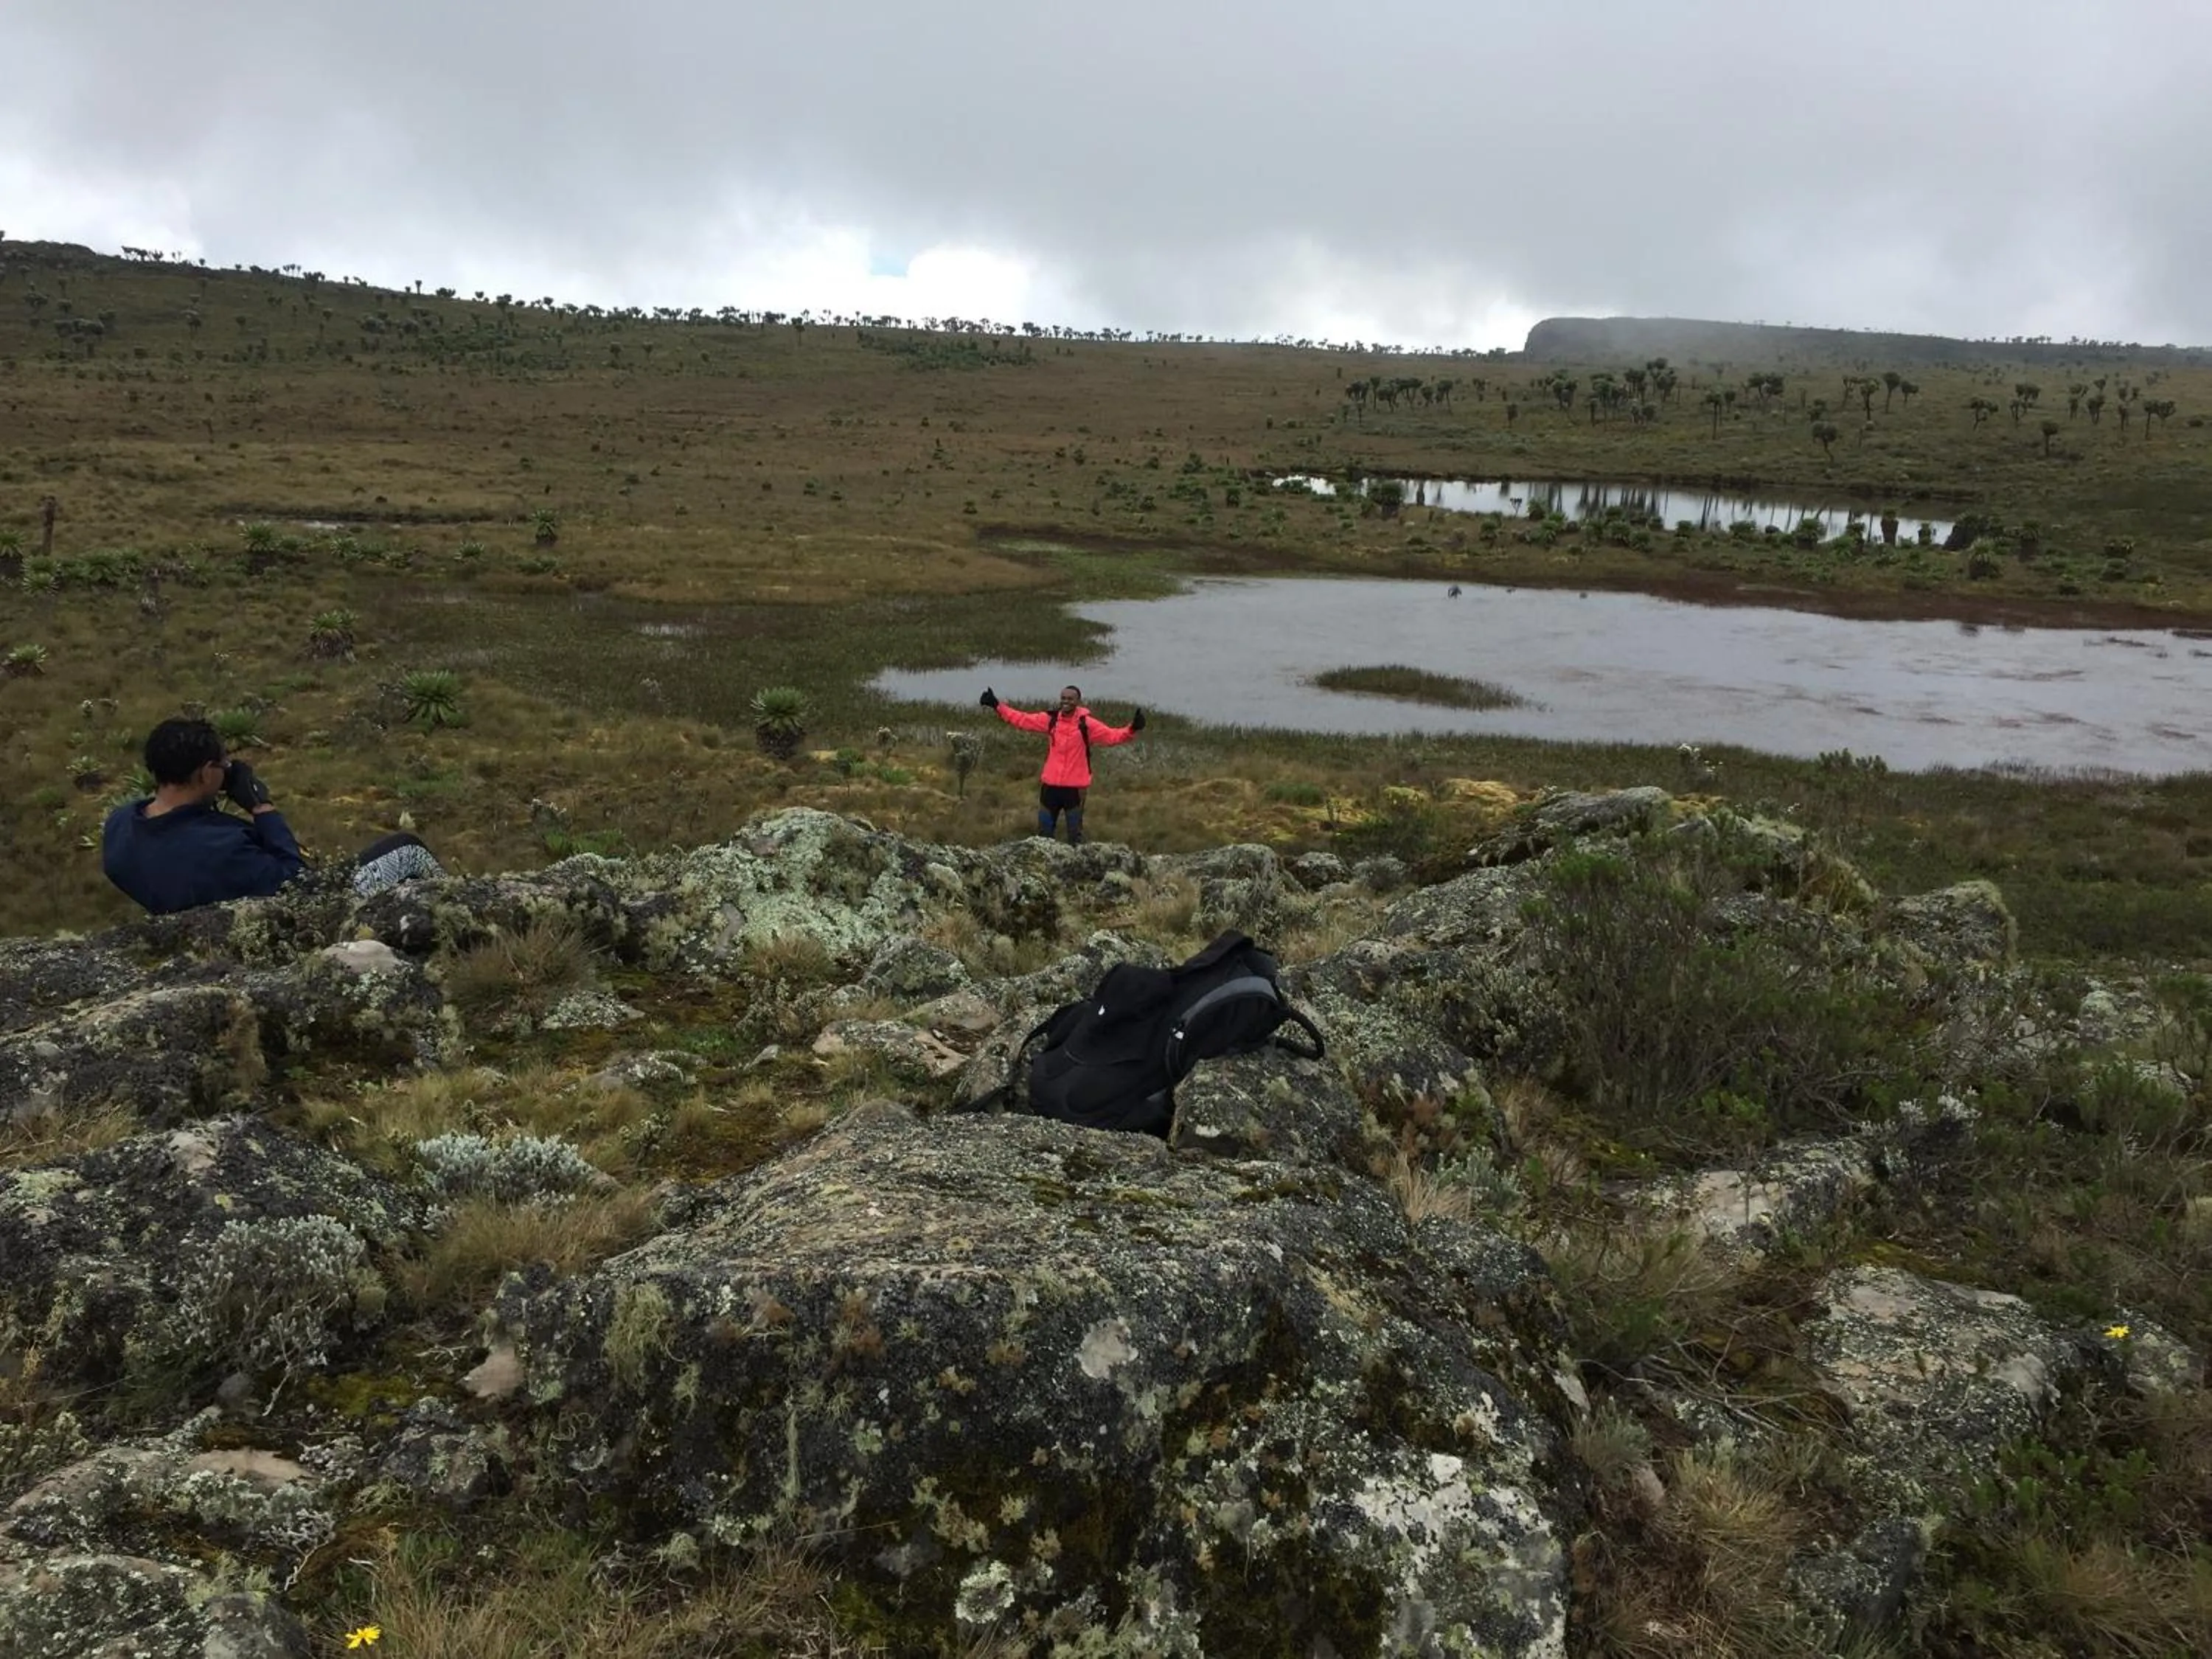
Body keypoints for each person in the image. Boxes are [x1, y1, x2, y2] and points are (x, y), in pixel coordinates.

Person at [102, 717, 445, 915]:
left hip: (196, 914)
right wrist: (261, 809)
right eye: (223, 765)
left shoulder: (120, 825)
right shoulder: (220, 847)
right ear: (206, 773)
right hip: (278, 916)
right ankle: (464, 919)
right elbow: (298, 888)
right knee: (407, 850)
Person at [979, 684, 1144, 845]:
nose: (1066, 701)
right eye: (1063, 698)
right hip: (1050, 787)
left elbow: (1112, 736)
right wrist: (997, 705)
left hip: (1075, 789)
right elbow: (1022, 719)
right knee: (1044, 836)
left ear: (1078, 701)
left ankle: (1076, 868)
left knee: (1075, 836)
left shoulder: (1087, 725)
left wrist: (1132, 729)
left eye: (1070, 699)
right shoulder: (1050, 720)